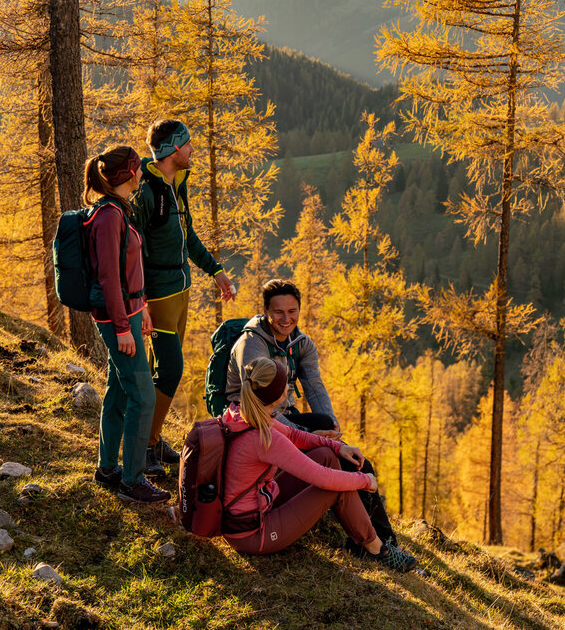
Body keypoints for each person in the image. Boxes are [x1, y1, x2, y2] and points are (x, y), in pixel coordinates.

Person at [225, 278, 397, 545]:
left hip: (282, 416)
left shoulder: (301, 344)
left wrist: (334, 433)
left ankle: (381, 539)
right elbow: (263, 410)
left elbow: (315, 387)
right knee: (339, 461)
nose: (286, 319)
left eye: (292, 311)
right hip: (254, 420)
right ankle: (379, 541)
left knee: (339, 443)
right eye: (278, 312)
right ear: (266, 311)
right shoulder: (252, 345)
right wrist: (308, 435)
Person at [221, 357, 416, 571]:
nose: (288, 385)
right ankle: (376, 549)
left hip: (254, 509)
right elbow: (321, 477)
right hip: (253, 534)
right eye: (284, 382)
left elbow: (293, 435)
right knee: (334, 487)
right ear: (276, 394)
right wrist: (365, 480)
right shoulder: (265, 437)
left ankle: (363, 535)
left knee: (326, 455)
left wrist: (337, 447)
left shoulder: (243, 413)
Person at [131, 118, 235, 478]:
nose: (192, 149)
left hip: (181, 291)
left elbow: (187, 236)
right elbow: (131, 252)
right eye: (187, 143)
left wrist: (215, 270)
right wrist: (140, 301)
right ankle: (144, 446)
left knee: (161, 369)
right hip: (158, 297)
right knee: (170, 369)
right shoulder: (145, 193)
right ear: (174, 148)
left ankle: (153, 437)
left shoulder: (177, 183)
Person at [83, 146, 170, 505]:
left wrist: (141, 307)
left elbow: (128, 269)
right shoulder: (107, 216)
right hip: (116, 318)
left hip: (129, 312)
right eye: (138, 167)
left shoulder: (120, 210)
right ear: (130, 173)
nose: (142, 173)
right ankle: (132, 481)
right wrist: (122, 327)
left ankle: (107, 469)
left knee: (119, 391)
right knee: (142, 395)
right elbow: (107, 277)